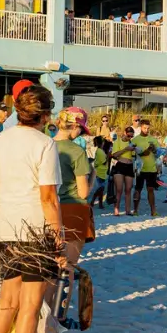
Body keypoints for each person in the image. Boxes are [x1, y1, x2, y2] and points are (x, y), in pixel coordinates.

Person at [0, 85, 63, 333]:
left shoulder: (3, 138)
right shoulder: (45, 144)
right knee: (30, 305)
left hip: (7, 225)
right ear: (44, 113)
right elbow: (48, 197)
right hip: (35, 228)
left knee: (7, 301)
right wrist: (57, 235)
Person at [53, 109, 95, 263]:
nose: (80, 134)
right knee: (68, 266)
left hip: (48, 207)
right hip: (73, 208)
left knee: (50, 267)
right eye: (81, 130)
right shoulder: (76, 151)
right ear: (75, 126)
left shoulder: (45, 145)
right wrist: (93, 177)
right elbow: (83, 192)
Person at [130, 119, 160, 217]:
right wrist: (146, 151)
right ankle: (135, 210)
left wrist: (154, 149)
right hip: (139, 169)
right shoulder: (135, 140)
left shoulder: (154, 140)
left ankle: (153, 211)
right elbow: (133, 154)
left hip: (151, 168)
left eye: (148, 128)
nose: (146, 130)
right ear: (141, 128)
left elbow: (158, 154)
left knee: (150, 189)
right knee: (138, 189)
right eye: (144, 128)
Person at [109, 125, 138, 216]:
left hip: (129, 165)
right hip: (120, 165)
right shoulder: (118, 141)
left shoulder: (132, 143)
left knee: (128, 189)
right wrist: (126, 149)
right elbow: (114, 155)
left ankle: (128, 210)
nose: (130, 137)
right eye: (129, 135)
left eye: (131, 136)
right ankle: (116, 209)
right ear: (124, 133)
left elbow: (134, 156)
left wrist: (136, 150)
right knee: (119, 189)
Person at [89, 135, 110, 210]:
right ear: (102, 143)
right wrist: (108, 155)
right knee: (100, 188)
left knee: (101, 189)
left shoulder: (99, 151)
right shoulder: (100, 152)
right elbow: (104, 162)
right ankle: (93, 201)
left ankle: (99, 203)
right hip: (100, 172)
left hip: (101, 172)